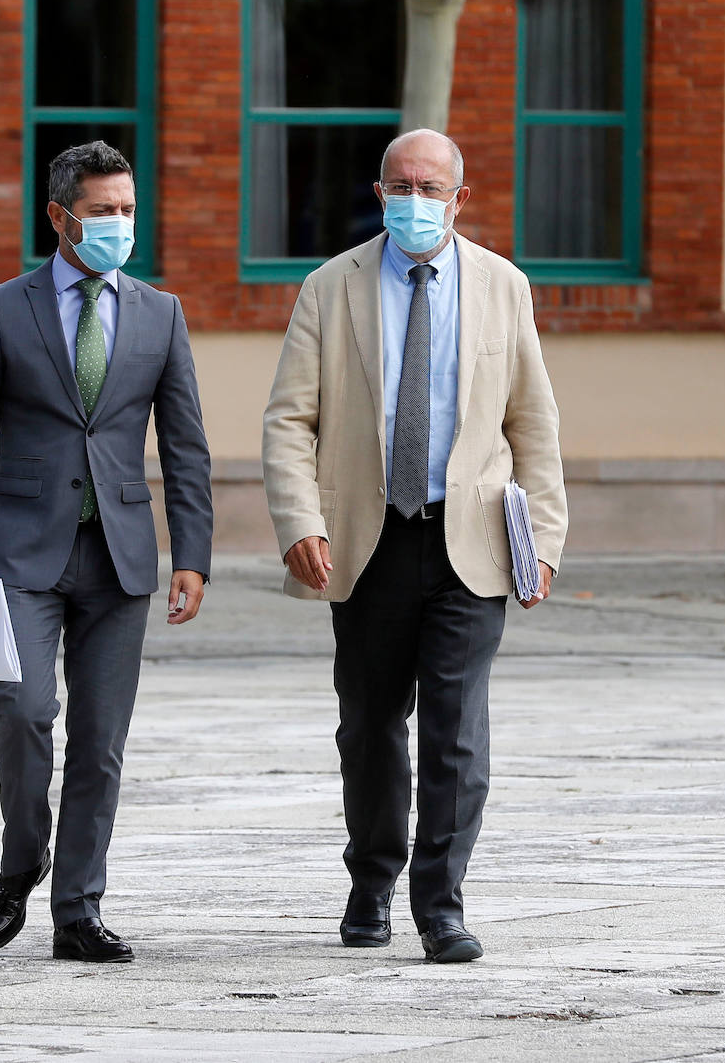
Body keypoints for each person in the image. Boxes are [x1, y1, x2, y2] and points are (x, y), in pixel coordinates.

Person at [261, 128, 567, 963]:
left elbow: (532, 424)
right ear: (379, 192)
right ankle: (372, 879)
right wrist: (301, 523)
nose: (414, 200)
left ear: (460, 199)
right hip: (368, 540)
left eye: (431, 187)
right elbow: (290, 419)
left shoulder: (503, 286)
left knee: (456, 728)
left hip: (471, 539)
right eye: (401, 185)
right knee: (369, 723)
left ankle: (441, 902)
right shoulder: (332, 287)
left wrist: (542, 536)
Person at [0, 141, 212, 964]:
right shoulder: (0, 307)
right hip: (16, 553)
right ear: (59, 216)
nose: (118, 223)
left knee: (101, 739)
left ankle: (78, 909)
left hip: (121, 554)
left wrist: (191, 552)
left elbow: (186, 446)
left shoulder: (161, 314)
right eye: (102, 211)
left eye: (127, 209)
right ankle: (23, 859)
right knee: (23, 713)